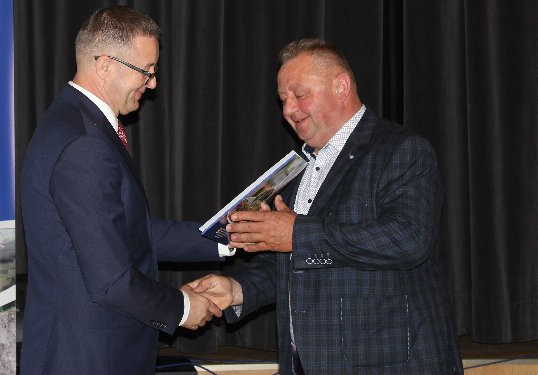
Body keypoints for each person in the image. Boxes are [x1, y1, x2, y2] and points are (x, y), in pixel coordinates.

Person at [190, 38, 463, 374]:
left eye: (299, 94)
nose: (288, 110)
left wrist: (296, 234)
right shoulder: (297, 168)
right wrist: (238, 289)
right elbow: (296, 260)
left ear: (341, 87)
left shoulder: (401, 149)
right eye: (283, 99)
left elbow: (409, 238)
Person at [21, 6, 229, 374]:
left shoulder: (74, 122)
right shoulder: (83, 142)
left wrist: (227, 234)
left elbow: (131, 231)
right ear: (105, 66)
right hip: (87, 359)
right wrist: (182, 308)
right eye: (146, 71)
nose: (153, 83)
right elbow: (112, 282)